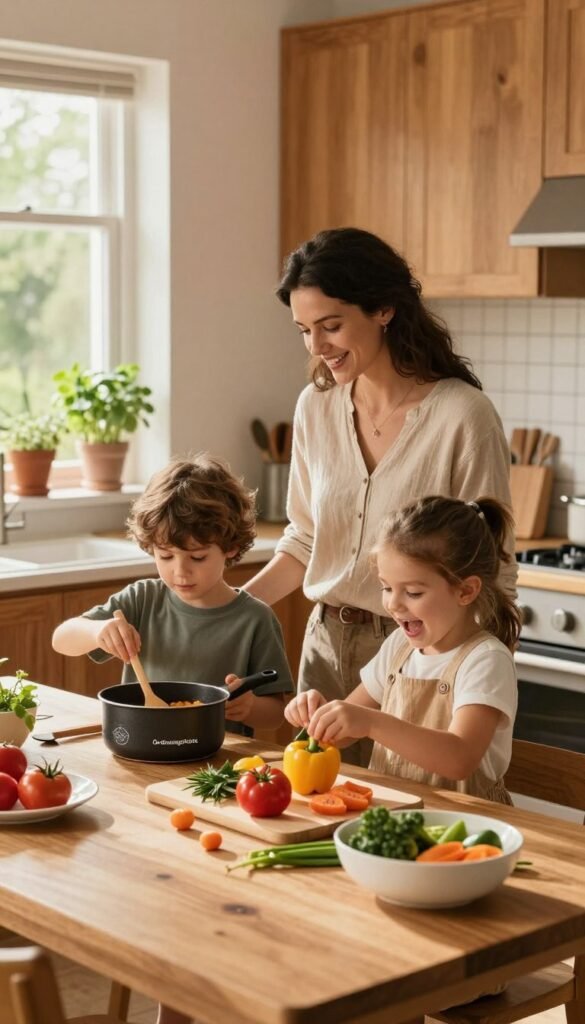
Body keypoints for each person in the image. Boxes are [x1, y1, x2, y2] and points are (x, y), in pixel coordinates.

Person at [244, 227, 516, 766]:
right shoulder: (315, 408)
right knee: (320, 811)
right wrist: (228, 609)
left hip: (421, 650)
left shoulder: (463, 416)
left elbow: (493, 565)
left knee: (405, 816)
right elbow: (304, 539)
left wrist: (472, 674)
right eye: (303, 330)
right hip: (324, 643)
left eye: (331, 326)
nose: (316, 348)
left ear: (385, 310)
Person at [285, 495, 520, 800]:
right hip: (398, 812)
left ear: (465, 590)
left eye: (412, 592)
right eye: (386, 587)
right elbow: (346, 732)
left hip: (469, 825)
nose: (393, 604)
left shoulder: (486, 660)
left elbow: (459, 758)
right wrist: (323, 716)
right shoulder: (399, 647)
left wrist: (371, 722)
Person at [52, 453, 293, 738]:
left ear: (230, 547)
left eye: (198, 557)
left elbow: (276, 715)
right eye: (165, 556)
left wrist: (249, 707)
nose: (180, 572)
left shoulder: (255, 618)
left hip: (214, 764)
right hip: (142, 747)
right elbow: (62, 639)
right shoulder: (143, 599)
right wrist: (97, 631)